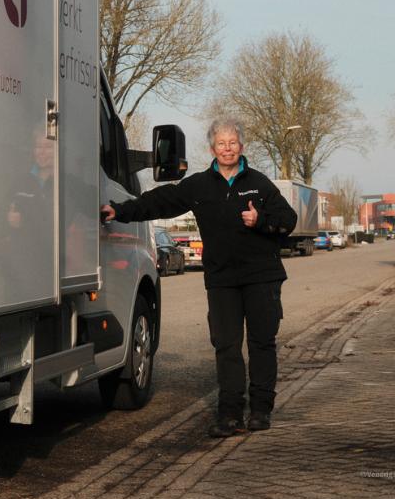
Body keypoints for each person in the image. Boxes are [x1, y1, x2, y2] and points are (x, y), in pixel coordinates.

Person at [101, 118, 297, 438]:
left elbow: (288, 219)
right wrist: (119, 210)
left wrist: (260, 219)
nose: (227, 149)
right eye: (221, 144)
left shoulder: (259, 184)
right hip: (222, 279)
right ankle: (230, 414)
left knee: (262, 343)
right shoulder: (200, 185)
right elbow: (160, 201)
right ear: (212, 149)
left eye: (232, 143)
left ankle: (261, 410)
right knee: (226, 346)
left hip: (262, 276)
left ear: (241, 147)